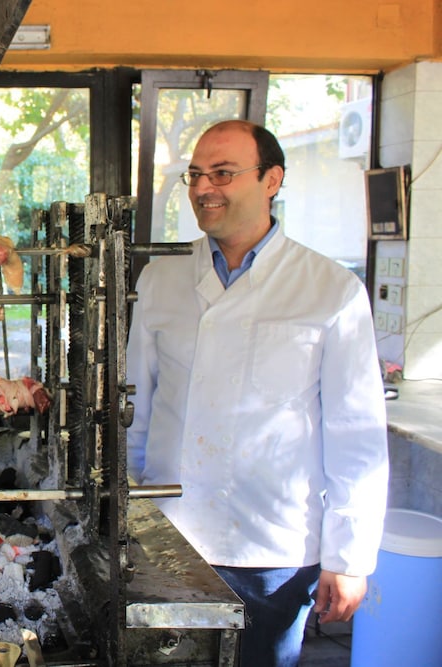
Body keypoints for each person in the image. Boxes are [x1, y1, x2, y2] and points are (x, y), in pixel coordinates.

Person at [125, 119, 389, 667]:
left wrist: (349, 558)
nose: (203, 188)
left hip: (271, 550)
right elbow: (136, 408)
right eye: (196, 174)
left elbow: (355, 435)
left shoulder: (331, 290)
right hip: (168, 533)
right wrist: (125, 509)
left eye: (222, 173)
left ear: (271, 180)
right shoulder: (160, 279)